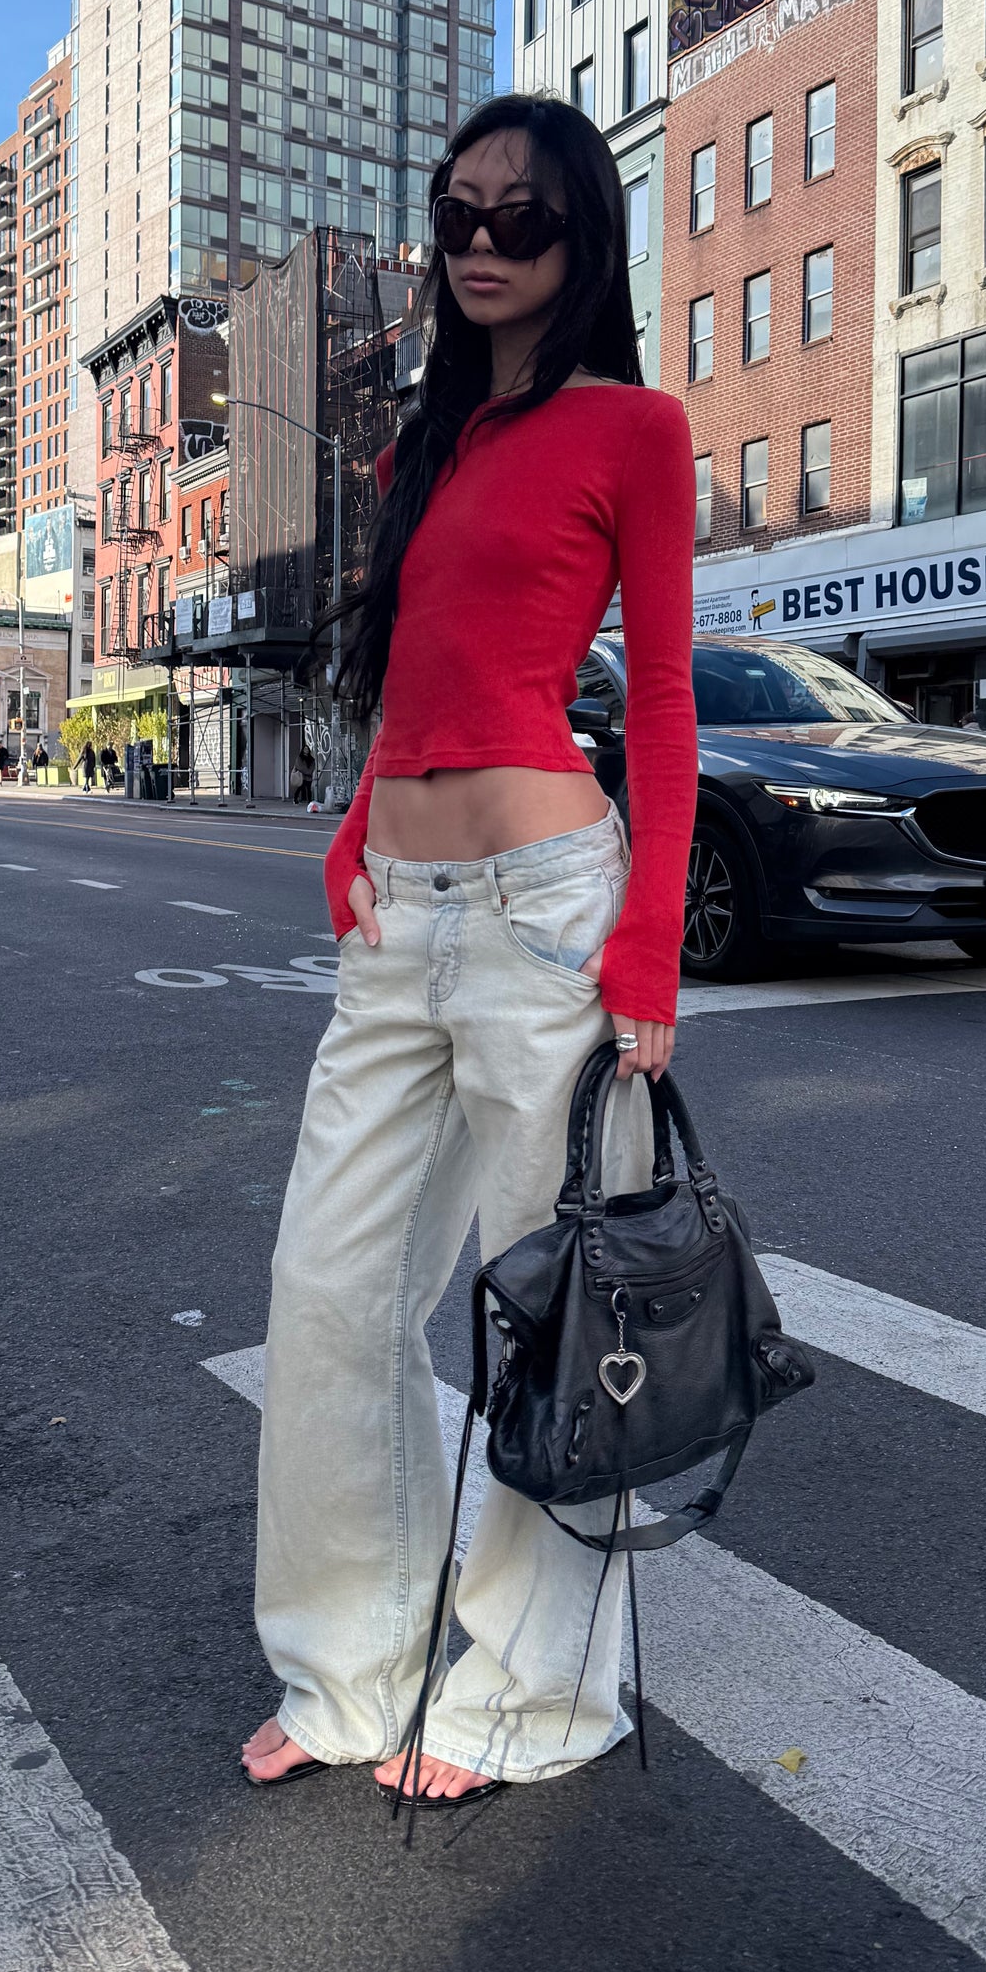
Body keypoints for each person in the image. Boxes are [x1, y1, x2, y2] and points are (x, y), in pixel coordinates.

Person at [242, 95, 696, 1805]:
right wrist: (359, 824)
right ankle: (351, 1670)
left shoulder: (633, 429)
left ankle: (524, 1692)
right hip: (397, 923)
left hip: (547, 910)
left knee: (553, 1311)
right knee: (329, 1295)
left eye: (524, 217)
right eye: (458, 216)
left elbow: (654, 693)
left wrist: (646, 942)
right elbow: (413, 667)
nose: (485, 244)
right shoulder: (411, 450)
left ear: (584, 240)